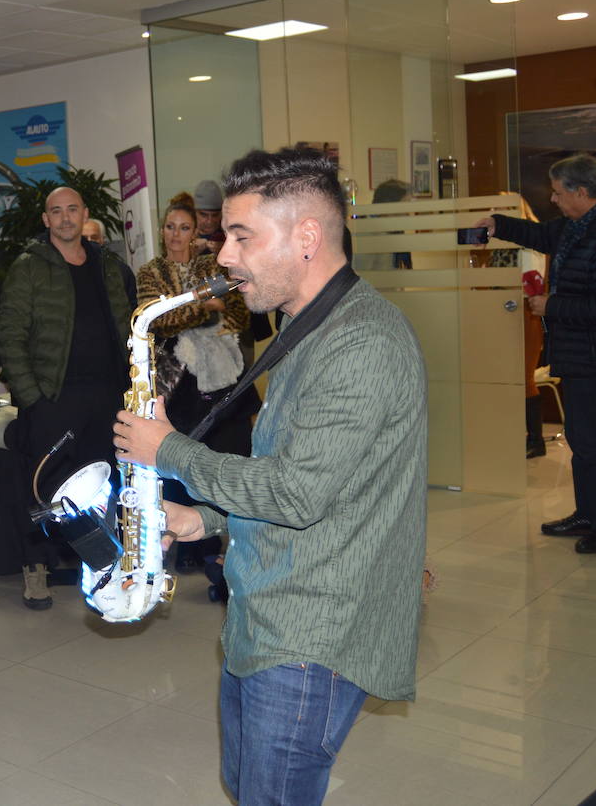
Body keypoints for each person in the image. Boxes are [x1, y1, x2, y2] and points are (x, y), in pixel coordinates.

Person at [113, 147, 427, 806]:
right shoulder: (307, 330)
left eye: (241, 236)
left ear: (306, 238)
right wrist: (203, 518)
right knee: (246, 785)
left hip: (314, 629)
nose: (223, 256)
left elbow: (297, 493)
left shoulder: (361, 343)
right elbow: (302, 471)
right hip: (270, 606)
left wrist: (168, 451)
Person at [478, 153, 596, 554]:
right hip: (578, 350)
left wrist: (552, 307)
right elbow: (541, 236)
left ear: (581, 192)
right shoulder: (575, 224)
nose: (553, 199)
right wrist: (499, 225)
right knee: (582, 438)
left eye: (557, 191)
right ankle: (588, 513)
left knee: (594, 439)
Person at [0, 186, 131, 610]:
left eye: (73, 209)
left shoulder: (108, 264)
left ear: (85, 214)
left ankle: (100, 567)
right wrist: (34, 398)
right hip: (54, 397)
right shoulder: (29, 268)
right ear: (46, 220)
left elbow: (127, 325)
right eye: (57, 211)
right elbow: (10, 336)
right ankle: (36, 568)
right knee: (45, 488)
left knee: (103, 486)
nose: (66, 217)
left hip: (107, 395)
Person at [135, 192, 257, 574]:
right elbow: (156, 321)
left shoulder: (212, 265)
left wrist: (185, 305)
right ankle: (179, 542)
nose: (176, 234)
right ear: (162, 231)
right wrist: (204, 306)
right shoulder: (150, 272)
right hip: (175, 384)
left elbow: (239, 313)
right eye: (170, 227)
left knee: (229, 454)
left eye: (184, 228)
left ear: (194, 232)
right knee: (174, 461)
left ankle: (224, 543)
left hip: (220, 381)